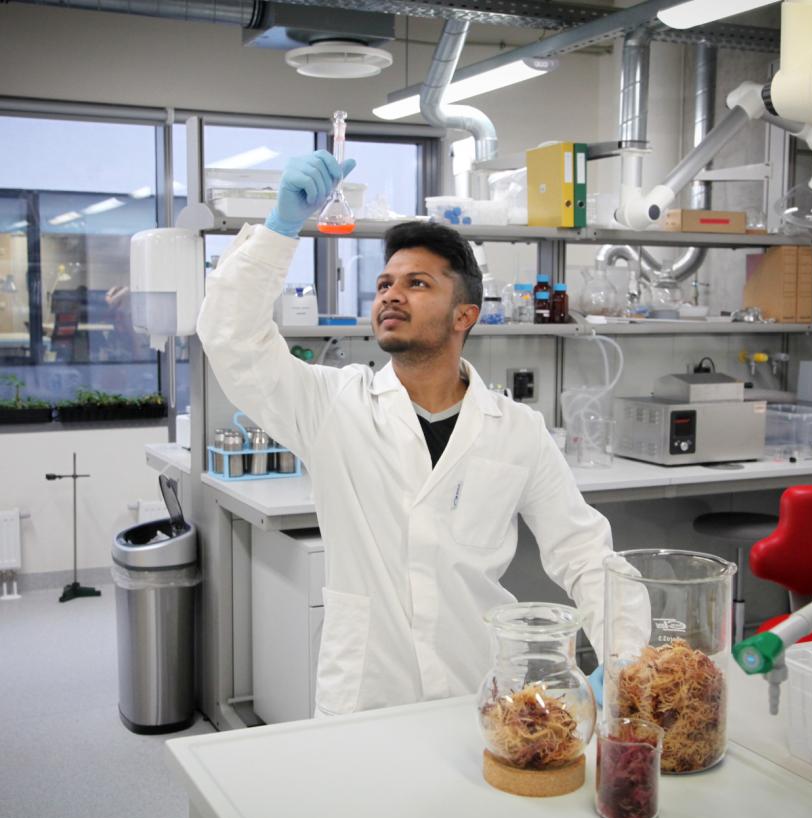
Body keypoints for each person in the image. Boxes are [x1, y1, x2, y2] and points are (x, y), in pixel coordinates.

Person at [197, 150, 617, 717]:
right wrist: (280, 230)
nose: (391, 294)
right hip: (366, 693)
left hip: (477, 692)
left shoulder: (517, 431)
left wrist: (630, 660)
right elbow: (232, 339)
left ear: (464, 315)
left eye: (416, 283)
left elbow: (582, 550)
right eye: (384, 284)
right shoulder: (332, 405)